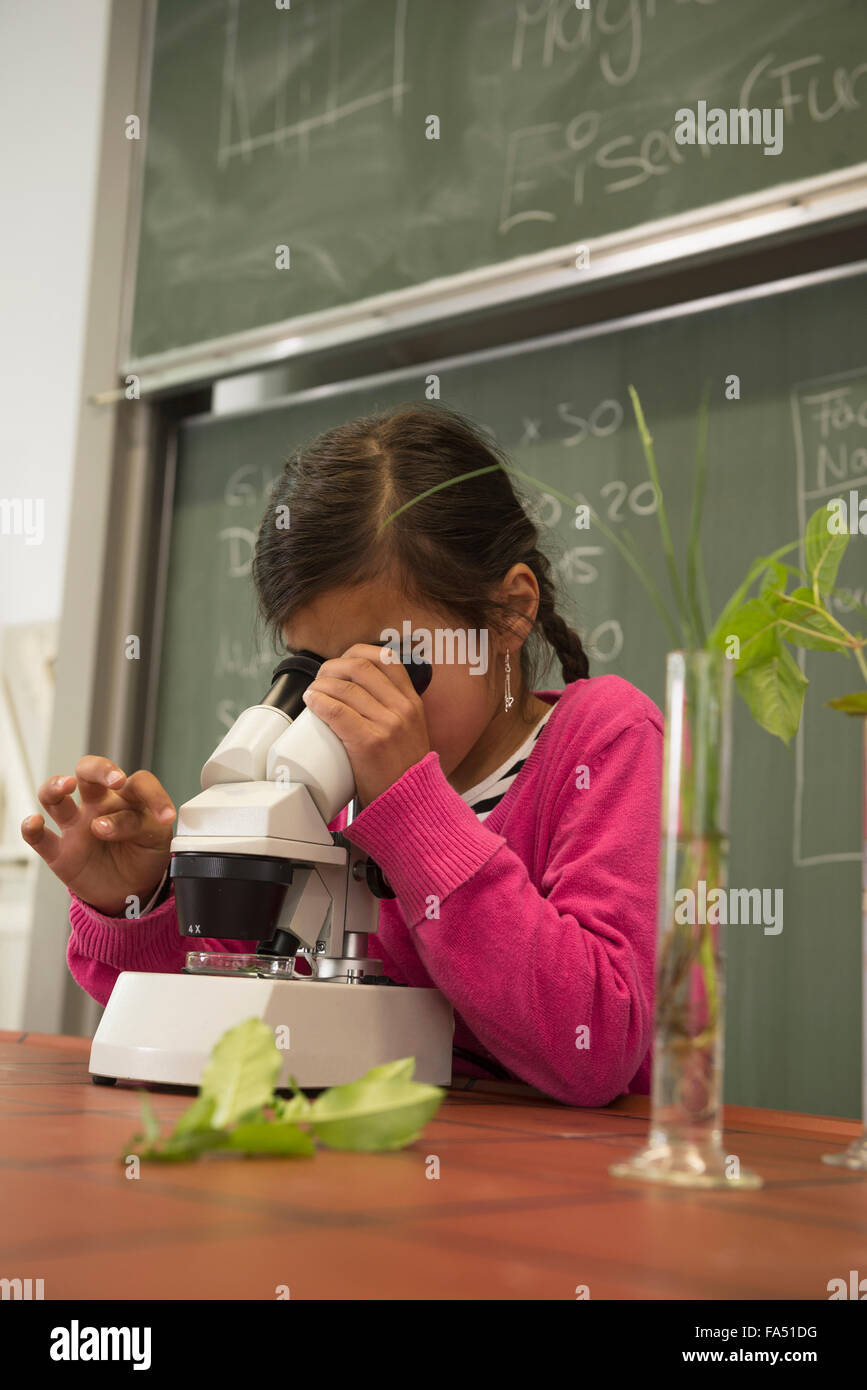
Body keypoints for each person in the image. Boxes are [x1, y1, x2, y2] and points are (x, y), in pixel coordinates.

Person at [22, 402, 663, 1106]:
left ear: (507, 613)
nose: (338, 704)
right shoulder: (337, 782)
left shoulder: (604, 738)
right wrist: (138, 897)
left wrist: (415, 816)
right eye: (313, 666)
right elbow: (229, 1021)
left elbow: (595, 1040)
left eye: (390, 663)